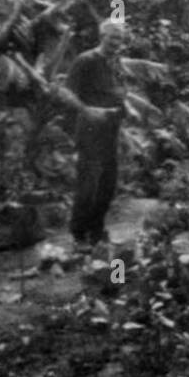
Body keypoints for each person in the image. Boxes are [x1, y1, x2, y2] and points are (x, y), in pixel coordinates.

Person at [63, 20, 128, 247]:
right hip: (91, 129)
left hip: (111, 128)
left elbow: (119, 93)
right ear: (102, 36)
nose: (116, 42)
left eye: (119, 38)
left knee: (108, 184)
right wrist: (86, 110)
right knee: (88, 183)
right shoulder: (86, 60)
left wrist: (129, 111)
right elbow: (67, 93)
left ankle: (96, 230)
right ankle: (79, 233)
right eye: (112, 37)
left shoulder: (115, 63)